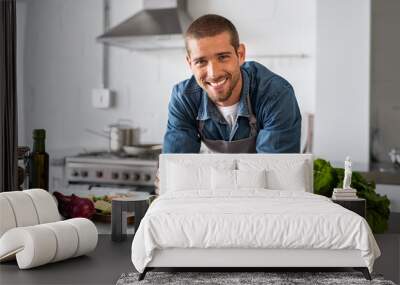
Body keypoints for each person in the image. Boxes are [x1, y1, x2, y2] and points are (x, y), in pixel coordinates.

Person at [162, 14, 301, 154]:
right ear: (190, 63)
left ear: (240, 55)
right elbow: (176, 165)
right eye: (201, 61)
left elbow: (275, 169)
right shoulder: (184, 98)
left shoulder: (275, 94)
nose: (213, 74)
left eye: (222, 57)